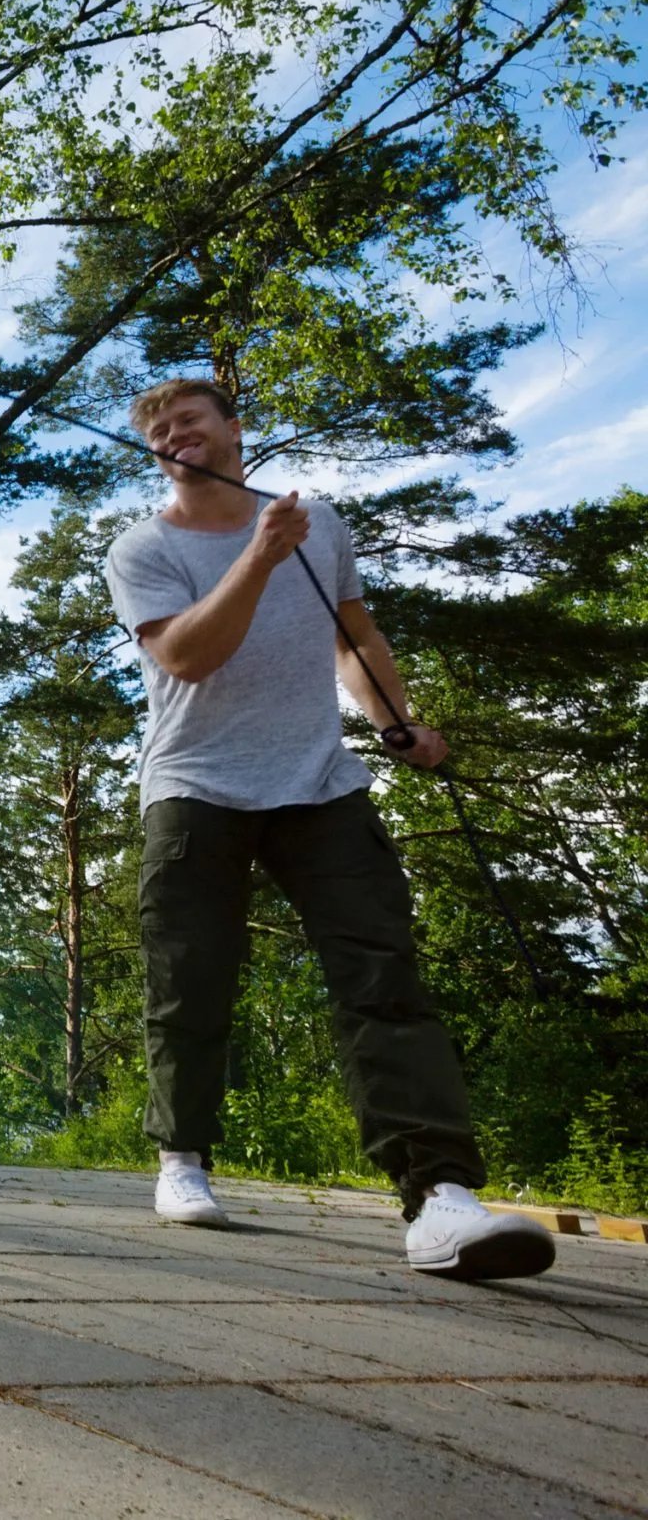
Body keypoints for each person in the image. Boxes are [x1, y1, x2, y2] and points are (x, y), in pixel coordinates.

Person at [106, 377, 552, 1279]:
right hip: (195, 785)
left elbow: (352, 632)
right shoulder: (141, 547)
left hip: (320, 782)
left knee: (382, 975)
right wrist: (260, 557)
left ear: (234, 429)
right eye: (157, 427)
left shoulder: (318, 523)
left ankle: (439, 1197)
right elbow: (189, 654)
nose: (172, 431)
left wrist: (393, 714)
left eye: (189, 417)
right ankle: (183, 1158)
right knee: (189, 986)